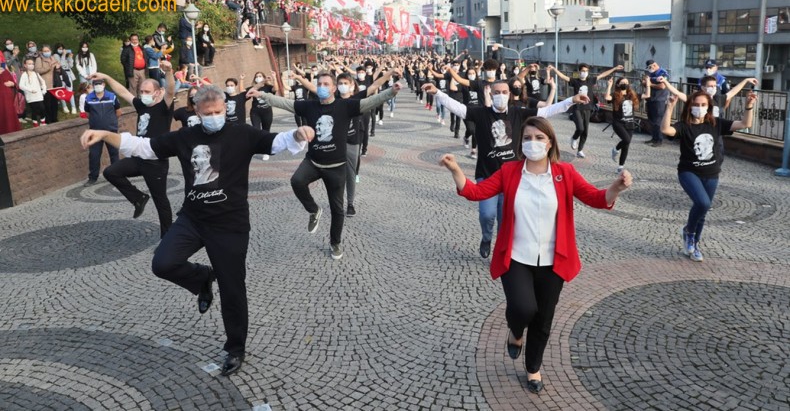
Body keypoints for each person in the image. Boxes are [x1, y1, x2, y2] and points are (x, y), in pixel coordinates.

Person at [79, 84, 314, 376]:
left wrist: (298, 134)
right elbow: (143, 147)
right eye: (208, 113)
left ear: (225, 108)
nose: (214, 116)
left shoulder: (242, 134)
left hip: (230, 224)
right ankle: (202, 278)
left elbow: (276, 141)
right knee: (163, 263)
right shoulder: (185, 137)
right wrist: (104, 134)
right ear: (198, 112)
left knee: (232, 288)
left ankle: (235, 348)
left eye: (219, 111)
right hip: (193, 219)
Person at [439, 116, 632, 394]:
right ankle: (516, 331)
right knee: (523, 308)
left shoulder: (564, 173)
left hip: (553, 261)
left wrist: (617, 187)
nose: (533, 143)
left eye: (539, 138)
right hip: (516, 257)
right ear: (521, 143)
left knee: (543, 320)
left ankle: (533, 368)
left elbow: (596, 197)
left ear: (550, 142)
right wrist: (455, 169)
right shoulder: (510, 172)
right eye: (527, 138)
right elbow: (476, 192)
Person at [423, 80, 589, 259]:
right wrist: (437, 93)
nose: (500, 95)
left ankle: (503, 249)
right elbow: (456, 107)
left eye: (504, 92)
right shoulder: (480, 113)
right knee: (487, 214)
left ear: (509, 94)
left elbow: (547, 111)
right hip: (487, 175)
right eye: (497, 92)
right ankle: (486, 238)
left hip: (513, 178)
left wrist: (572, 100)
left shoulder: (519, 113)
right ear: (491, 94)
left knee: (506, 220)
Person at [247, 73, 398, 260]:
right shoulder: (309, 106)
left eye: (326, 84)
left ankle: (335, 243)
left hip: (336, 166)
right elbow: (284, 103)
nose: (321, 87)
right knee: (296, 181)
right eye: (319, 84)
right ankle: (314, 210)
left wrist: (391, 92)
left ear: (334, 88)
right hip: (313, 161)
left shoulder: (346, 106)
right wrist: (262, 95)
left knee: (337, 209)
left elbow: (371, 101)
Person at [661, 90, 756, 262]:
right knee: (703, 203)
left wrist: (749, 105)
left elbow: (744, 123)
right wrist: (669, 107)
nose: (699, 108)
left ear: (709, 107)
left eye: (703, 105)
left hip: (712, 173)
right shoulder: (684, 126)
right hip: (688, 172)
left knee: (702, 212)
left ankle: (694, 244)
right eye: (696, 105)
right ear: (690, 107)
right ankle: (688, 231)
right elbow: (666, 129)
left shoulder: (716, 123)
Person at [91, 61, 176, 238]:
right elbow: (122, 91)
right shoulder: (142, 105)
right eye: (142, 92)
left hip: (155, 161)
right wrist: (106, 77)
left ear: (157, 92)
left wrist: (169, 72)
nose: (143, 95)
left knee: (161, 201)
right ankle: (138, 198)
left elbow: (170, 91)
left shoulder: (164, 107)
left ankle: (167, 238)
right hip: (138, 157)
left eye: (147, 92)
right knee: (111, 172)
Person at [553, 63, 623, 158]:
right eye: (583, 71)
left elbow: (602, 75)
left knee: (585, 131)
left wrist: (614, 68)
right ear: (579, 72)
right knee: (580, 128)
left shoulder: (590, 80)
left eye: (586, 71)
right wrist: (554, 69)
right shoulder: (575, 81)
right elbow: (563, 77)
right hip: (577, 108)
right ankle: (574, 138)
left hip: (587, 108)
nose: (584, 73)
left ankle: (580, 150)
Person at [604, 76, 650, 173]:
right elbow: (607, 97)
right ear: (618, 84)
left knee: (626, 145)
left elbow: (647, 95)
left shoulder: (632, 95)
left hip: (630, 123)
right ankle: (615, 149)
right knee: (626, 139)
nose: (625, 84)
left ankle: (620, 167)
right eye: (622, 82)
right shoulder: (615, 95)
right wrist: (609, 86)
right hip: (618, 123)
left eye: (626, 82)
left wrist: (648, 84)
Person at [83, 78, 121, 185]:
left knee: (114, 153)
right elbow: (88, 113)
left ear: (104, 84)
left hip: (111, 130)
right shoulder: (88, 98)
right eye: (95, 84)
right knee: (94, 155)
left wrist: (110, 122)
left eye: (99, 84)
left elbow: (118, 112)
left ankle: (117, 175)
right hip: (95, 132)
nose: (98, 86)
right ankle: (93, 177)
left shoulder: (112, 96)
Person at [643, 59, 670, 146]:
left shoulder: (662, 72)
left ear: (654, 65)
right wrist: (644, 82)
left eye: (650, 67)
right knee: (652, 120)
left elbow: (662, 86)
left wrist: (650, 84)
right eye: (648, 68)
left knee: (658, 121)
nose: (649, 69)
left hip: (659, 100)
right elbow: (646, 81)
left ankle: (659, 140)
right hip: (651, 99)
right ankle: (654, 138)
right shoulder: (652, 73)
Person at [34, 44, 61, 124]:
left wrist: (58, 69)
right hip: (46, 85)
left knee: (54, 103)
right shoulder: (39, 59)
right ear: (42, 52)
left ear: (51, 51)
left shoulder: (53, 58)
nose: (46, 52)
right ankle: (48, 120)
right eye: (44, 51)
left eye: (48, 51)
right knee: (47, 104)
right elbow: (38, 70)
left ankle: (54, 118)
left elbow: (58, 69)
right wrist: (49, 67)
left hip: (54, 84)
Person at [18, 58, 47, 127]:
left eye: (32, 64)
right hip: (31, 97)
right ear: (25, 65)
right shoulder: (24, 75)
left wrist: (44, 90)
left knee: (42, 108)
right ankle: (35, 123)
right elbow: (21, 85)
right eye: (29, 64)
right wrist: (30, 90)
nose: (31, 65)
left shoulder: (36, 73)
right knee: (35, 110)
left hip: (39, 95)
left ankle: (43, 122)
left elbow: (42, 81)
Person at [53, 44, 78, 114]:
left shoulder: (65, 56)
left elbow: (70, 65)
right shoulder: (55, 56)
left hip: (68, 74)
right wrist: (63, 55)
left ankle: (73, 107)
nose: (61, 50)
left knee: (70, 90)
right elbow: (60, 64)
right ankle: (64, 106)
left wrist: (70, 58)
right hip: (60, 75)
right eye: (60, 49)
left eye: (62, 49)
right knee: (62, 91)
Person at [0, 60, 22, 134]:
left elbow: (13, 82)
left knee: (9, 115)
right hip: (1, 100)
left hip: (8, 99)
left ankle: (12, 130)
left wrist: (12, 84)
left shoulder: (4, 70)